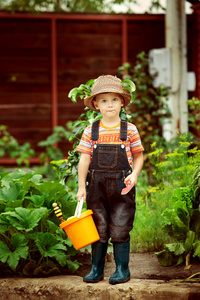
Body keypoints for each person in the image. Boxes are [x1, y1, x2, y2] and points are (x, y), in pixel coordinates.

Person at [76, 75, 144, 284]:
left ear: (122, 102)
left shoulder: (129, 129)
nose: (110, 105)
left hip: (122, 186)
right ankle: (96, 269)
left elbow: (139, 156)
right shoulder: (91, 130)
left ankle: (122, 270)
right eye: (104, 100)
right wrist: (81, 186)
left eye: (114, 99)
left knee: (120, 227)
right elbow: (85, 159)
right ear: (96, 105)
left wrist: (134, 174)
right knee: (99, 227)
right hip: (96, 187)